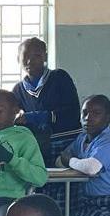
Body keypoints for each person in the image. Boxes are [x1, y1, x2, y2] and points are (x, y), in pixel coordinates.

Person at [11, 37, 82, 165]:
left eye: (36, 56)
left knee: (66, 181)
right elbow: (12, 115)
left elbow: (73, 113)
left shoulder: (60, 77)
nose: (30, 61)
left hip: (67, 143)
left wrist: (38, 117)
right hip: (38, 146)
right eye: (25, 55)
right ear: (18, 59)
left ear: (45, 57)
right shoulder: (18, 90)